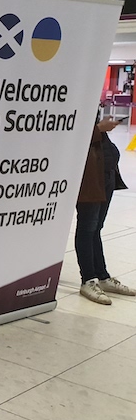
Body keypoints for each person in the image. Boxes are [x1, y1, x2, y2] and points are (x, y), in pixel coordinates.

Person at [76, 117, 132, 304]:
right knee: (87, 227)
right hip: (89, 177)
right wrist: (99, 128)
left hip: (105, 174)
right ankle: (88, 280)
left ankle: (102, 276)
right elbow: (72, 137)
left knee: (96, 228)